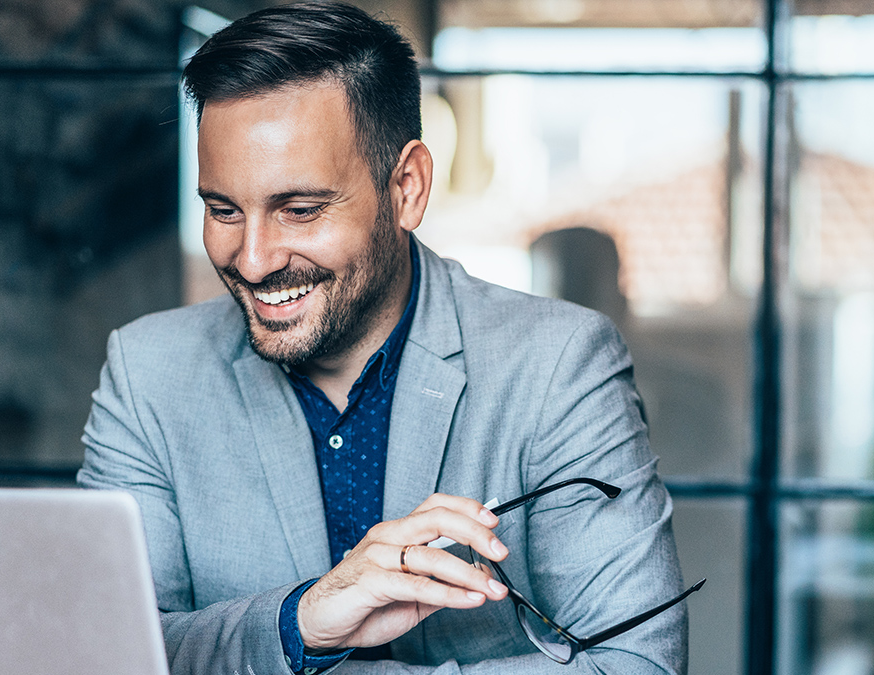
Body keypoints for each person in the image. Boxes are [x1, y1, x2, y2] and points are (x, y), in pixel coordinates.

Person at [78, 2, 688, 673]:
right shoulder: (147, 373)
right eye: (222, 209)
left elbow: (639, 661)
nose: (251, 260)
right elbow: (111, 652)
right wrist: (301, 620)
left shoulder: (559, 364)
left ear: (407, 187)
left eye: (300, 209)